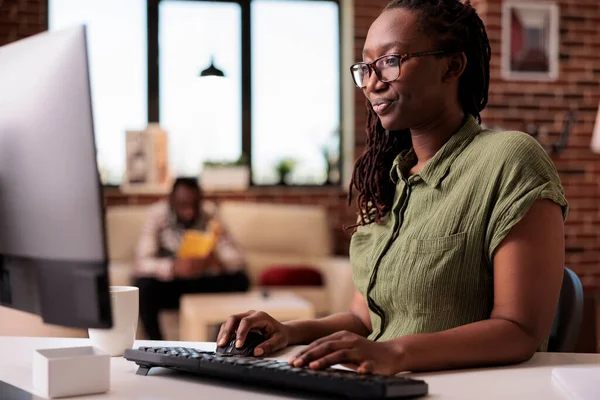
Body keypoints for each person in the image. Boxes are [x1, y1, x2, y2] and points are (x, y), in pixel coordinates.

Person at [216, 0, 568, 376]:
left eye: (389, 61)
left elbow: (520, 330)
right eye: (366, 66)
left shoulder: (510, 159)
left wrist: (396, 353)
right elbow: (365, 319)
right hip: (377, 384)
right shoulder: (387, 182)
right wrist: (288, 331)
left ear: (453, 65)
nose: (372, 82)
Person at [134, 177, 249, 340]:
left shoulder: (210, 214)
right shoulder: (157, 214)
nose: (190, 212)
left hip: (202, 281)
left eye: (194, 205)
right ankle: (157, 345)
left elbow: (238, 259)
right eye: (183, 205)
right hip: (171, 284)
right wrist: (173, 267)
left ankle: (220, 338)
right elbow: (141, 263)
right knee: (142, 287)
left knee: (241, 280)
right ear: (171, 201)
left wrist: (213, 261)